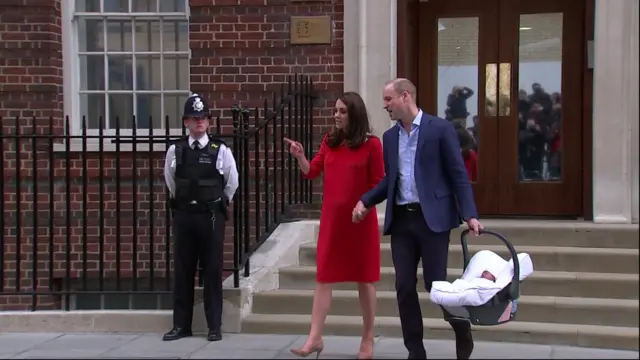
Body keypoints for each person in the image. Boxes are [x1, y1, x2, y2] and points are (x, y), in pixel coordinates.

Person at [353, 78, 484, 360]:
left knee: (436, 285)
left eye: (388, 100)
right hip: (402, 220)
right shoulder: (390, 138)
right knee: (403, 286)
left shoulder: (440, 130)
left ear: (405, 97)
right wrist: (366, 200)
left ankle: (461, 328)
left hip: (432, 221)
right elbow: (391, 179)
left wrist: (470, 214)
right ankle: (415, 351)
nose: (385, 105)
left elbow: (458, 176)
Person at [285, 92, 385, 359]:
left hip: (360, 221)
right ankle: (314, 338)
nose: (336, 116)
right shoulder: (330, 142)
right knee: (324, 278)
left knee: (365, 280)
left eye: (342, 111)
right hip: (333, 221)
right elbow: (311, 171)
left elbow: (379, 184)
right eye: (335, 111)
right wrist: (299, 156)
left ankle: (367, 339)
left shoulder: (372, 145)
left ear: (354, 114)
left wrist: (363, 205)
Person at [162, 94, 239, 342]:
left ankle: (214, 326)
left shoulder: (220, 150)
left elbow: (232, 182)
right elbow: (171, 181)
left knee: (212, 271)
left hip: (210, 217)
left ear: (209, 121)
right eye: (194, 118)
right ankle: (181, 325)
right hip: (185, 215)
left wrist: (217, 204)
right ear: (186, 121)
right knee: (183, 270)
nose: (199, 122)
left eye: (203, 117)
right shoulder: (176, 150)